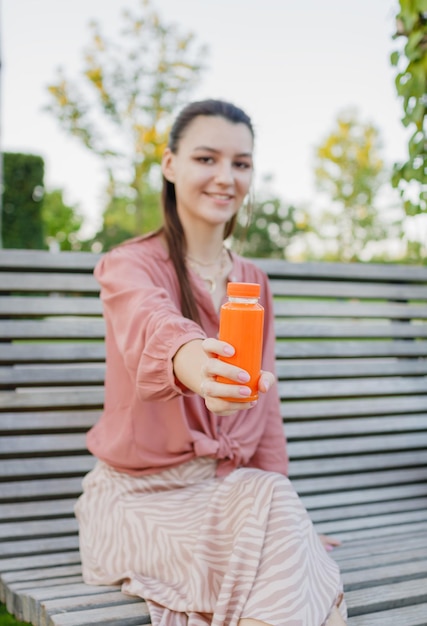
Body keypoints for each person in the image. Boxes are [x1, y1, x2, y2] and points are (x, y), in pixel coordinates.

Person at [75, 99, 347, 626]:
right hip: (135, 503)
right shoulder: (129, 265)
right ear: (170, 164)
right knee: (301, 573)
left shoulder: (255, 281)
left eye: (241, 163)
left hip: (227, 499)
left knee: (277, 511)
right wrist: (195, 363)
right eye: (207, 159)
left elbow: (265, 411)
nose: (226, 177)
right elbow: (150, 324)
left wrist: (284, 516)